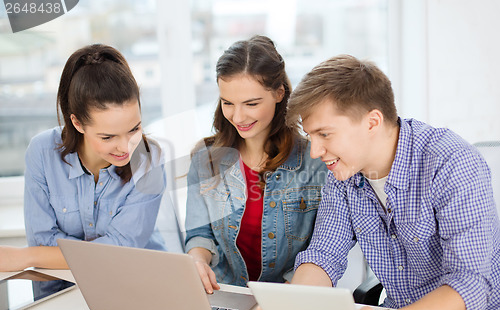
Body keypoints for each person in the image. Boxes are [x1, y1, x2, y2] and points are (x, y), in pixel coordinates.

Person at [253, 55, 500, 310]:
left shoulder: (452, 163)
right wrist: (290, 309)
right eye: (311, 136)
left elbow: (469, 284)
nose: (315, 152)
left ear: (372, 122)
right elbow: (323, 254)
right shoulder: (344, 173)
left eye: (325, 134)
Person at [0, 44, 167, 272]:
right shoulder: (42, 152)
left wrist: (29, 257)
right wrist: (101, 253)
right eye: (108, 137)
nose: (125, 146)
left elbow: (122, 249)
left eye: (134, 129)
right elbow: (43, 240)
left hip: (135, 281)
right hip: (61, 288)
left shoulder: (149, 159)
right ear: (77, 123)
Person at [184, 35, 327, 293]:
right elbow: (200, 234)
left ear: (279, 93)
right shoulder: (205, 159)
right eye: (228, 103)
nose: (238, 117)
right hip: (224, 291)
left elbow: (324, 248)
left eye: (251, 104)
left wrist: (289, 293)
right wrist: (197, 260)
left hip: (291, 295)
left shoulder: (315, 161)